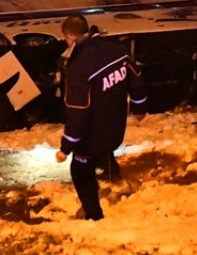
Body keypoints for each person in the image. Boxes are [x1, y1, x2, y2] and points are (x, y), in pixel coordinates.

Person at [55, 14, 147, 221]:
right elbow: (137, 80)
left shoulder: (78, 68)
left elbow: (77, 110)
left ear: (69, 36)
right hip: (115, 125)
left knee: (80, 170)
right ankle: (111, 172)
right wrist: (140, 107)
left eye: (65, 39)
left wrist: (66, 147)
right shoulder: (117, 51)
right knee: (105, 148)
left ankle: (93, 213)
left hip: (92, 132)